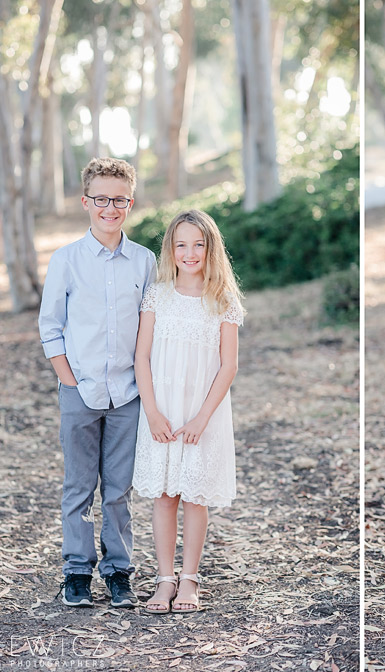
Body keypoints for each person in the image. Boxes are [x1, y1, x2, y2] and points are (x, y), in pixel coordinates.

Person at [39, 157, 157, 608]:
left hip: (127, 394)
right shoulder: (66, 260)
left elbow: (150, 328)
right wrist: (69, 383)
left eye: (120, 200)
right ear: (86, 202)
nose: (111, 208)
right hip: (80, 390)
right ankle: (76, 571)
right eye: (102, 199)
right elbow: (50, 327)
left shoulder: (144, 262)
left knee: (119, 489)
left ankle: (119, 571)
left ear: (131, 202)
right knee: (79, 486)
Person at [131, 209, 244, 614]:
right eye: (182, 244)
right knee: (164, 495)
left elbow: (228, 365)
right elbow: (141, 357)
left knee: (195, 496)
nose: (190, 252)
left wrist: (202, 418)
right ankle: (164, 580)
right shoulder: (157, 296)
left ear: (210, 248)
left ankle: (190, 579)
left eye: (198, 244)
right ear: (171, 249)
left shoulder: (222, 301)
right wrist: (152, 413)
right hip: (162, 412)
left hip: (202, 414)